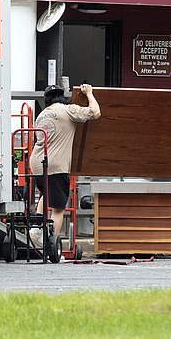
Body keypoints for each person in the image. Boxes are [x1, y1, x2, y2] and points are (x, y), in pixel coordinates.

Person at [29, 84, 101, 247]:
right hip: (56, 164)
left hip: (37, 164)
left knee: (45, 195)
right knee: (59, 207)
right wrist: (89, 93)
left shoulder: (41, 115)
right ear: (62, 98)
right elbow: (96, 112)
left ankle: (37, 229)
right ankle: (51, 242)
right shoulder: (68, 110)